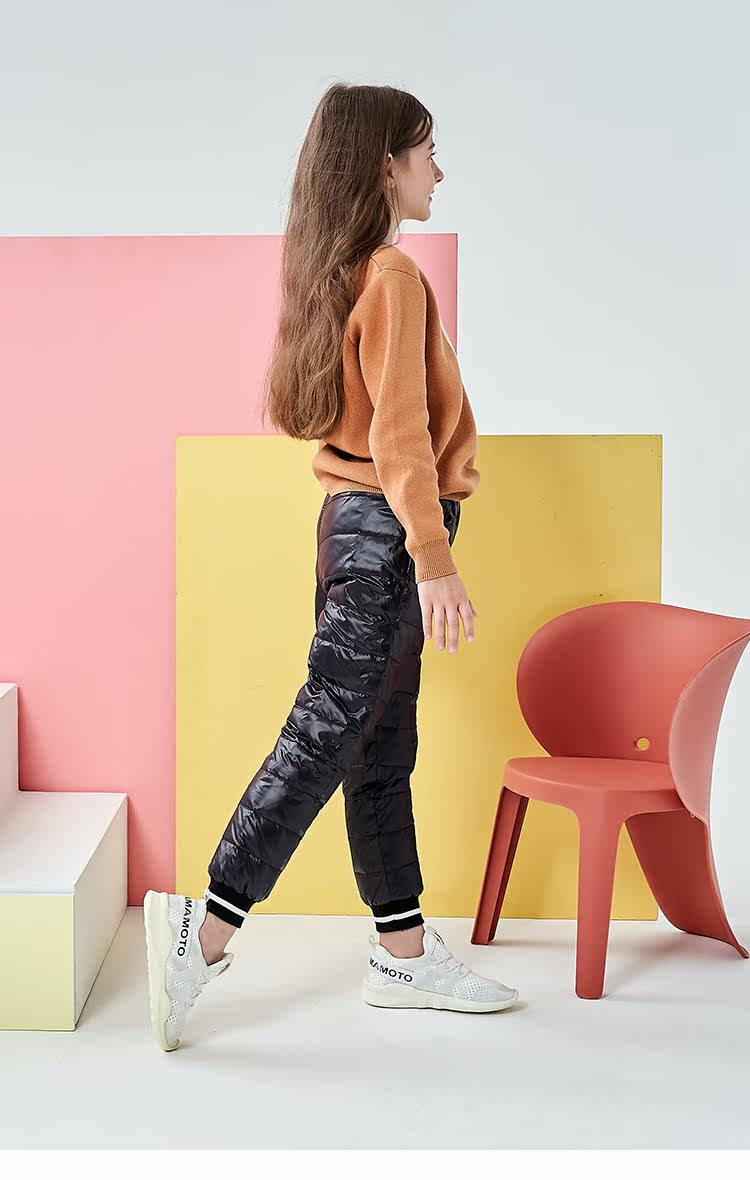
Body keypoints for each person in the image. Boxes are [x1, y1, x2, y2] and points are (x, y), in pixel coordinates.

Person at [144, 82, 518, 1052]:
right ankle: (204, 933)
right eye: (428, 152)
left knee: (375, 750)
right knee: (327, 735)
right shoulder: (391, 275)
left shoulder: (341, 272)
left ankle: (402, 952)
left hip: (352, 528)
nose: (440, 170)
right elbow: (400, 435)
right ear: (387, 165)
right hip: (388, 534)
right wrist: (434, 559)